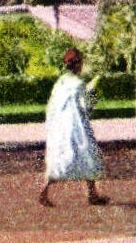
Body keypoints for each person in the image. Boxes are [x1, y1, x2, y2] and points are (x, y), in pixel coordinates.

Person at [38, 46, 109, 206]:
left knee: (60, 159)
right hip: (77, 126)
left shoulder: (61, 82)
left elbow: (52, 105)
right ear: (77, 64)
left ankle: (46, 191)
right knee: (87, 155)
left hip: (60, 127)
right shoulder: (79, 84)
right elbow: (86, 106)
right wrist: (95, 93)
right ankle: (92, 195)